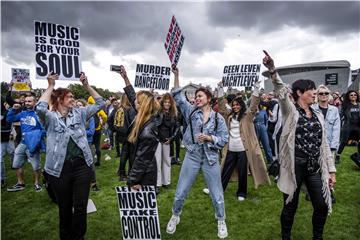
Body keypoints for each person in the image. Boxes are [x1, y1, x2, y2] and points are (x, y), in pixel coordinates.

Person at [263, 50, 336, 240]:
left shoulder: (318, 114)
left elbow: (324, 144)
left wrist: (331, 169)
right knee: (290, 205)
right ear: (299, 93)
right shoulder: (290, 111)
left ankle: (317, 237)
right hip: (294, 166)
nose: (315, 93)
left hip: (313, 167)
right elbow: (279, 88)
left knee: (321, 205)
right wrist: (272, 69)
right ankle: (285, 237)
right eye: (311, 90)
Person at [36, 72, 105, 240]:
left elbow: (100, 102)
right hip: (60, 169)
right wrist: (51, 85)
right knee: (65, 207)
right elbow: (39, 107)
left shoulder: (80, 113)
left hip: (82, 166)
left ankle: (79, 237)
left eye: (74, 96)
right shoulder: (50, 118)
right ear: (59, 99)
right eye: (70, 96)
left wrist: (86, 86)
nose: (73, 99)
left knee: (81, 206)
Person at [166, 67, 229, 239]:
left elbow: (224, 139)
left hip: (210, 159)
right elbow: (177, 96)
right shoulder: (191, 112)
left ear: (208, 98)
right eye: (195, 96)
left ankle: (221, 220)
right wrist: (177, 75)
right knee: (180, 192)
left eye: (199, 96)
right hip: (192, 156)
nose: (196, 98)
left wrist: (209, 138)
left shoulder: (218, 118)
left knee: (217, 195)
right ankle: (175, 215)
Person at [216, 81, 270, 201]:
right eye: (233, 105)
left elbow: (254, 105)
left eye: (237, 105)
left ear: (241, 105)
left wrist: (256, 88)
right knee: (225, 170)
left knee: (242, 172)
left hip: (243, 149)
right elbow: (221, 107)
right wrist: (220, 89)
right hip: (230, 149)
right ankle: (219, 190)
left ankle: (242, 193)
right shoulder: (228, 116)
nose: (235, 107)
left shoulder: (247, 116)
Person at [117, 66, 160, 189]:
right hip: (141, 171)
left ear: (142, 105)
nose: (133, 101)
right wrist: (125, 78)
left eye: (137, 100)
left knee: (144, 208)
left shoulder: (148, 130)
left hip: (143, 176)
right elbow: (131, 95)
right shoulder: (143, 115)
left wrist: (132, 180)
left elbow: (142, 159)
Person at [6, 94, 44, 192]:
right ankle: (20, 183)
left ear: (35, 102)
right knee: (17, 163)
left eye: (29, 101)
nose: (27, 103)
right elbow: (9, 119)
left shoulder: (39, 114)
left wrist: (36, 136)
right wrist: (13, 109)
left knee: (36, 166)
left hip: (33, 144)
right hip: (22, 143)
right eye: (26, 101)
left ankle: (37, 183)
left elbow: (45, 129)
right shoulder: (22, 113)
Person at [155, 93, 180, 193]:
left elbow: (177, 127)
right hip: (157, 139)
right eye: (165, 102)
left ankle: (166, 182)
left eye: (169, 102)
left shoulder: (174, 113)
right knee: (157, 161)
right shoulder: (157, 112)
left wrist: (171, 138)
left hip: (168, 141)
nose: (167, 104)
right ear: (162, 102)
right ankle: (157, 183)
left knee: (167, 161)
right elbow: (154, 125)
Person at [75, 99, 100, 192]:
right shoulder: (74, 118)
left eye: (80, 105)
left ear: (85, 106)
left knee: (90, 163)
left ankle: (93, 183)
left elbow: (91, 132)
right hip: (77, 144)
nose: (79, 107)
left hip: (87, 143)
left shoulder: (90, 118)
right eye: (77, 105)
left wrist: (79, 132)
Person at [336, 90, 360, 164]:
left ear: (357, 96)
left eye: (355, 95)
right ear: (348, 97)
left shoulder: (359, 105)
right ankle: (337, 156)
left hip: (358, 126)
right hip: (348, 126)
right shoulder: (345, 105)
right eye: (351, 95)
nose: (353, 96)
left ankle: (359, 157)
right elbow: (340, 115)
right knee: (343, 142)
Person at [116, 94, 136, 181]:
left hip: (124, 135)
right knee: (127, 155)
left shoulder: (121, 109)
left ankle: (122, 172)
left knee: (125, 155)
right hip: (128, 136)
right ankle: (124, 174)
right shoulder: (127, 109)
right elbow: (132, 123)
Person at [87, 96, 107, 166]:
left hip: (89, 130)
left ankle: (89, 161)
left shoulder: (87, 108)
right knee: (97, 145)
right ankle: (98, 161)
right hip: (97, 130)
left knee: (89, 146)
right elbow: (105, 117)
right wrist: (102, 123)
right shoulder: (98, 109)